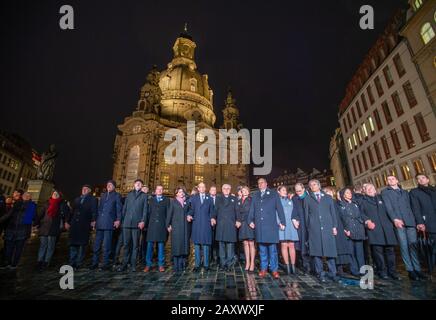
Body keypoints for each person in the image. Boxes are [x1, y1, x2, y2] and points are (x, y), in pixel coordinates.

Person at [381, 175, 425, 281]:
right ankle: (410, 270)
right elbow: (388, 207)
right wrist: (395, 219)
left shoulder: (405, 192)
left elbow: (411, 206)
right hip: (399, 222)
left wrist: (417, 222)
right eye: (388, 179)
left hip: (410, 221)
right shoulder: (385, 192)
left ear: (397, 180)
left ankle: (417, 269)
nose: (390, 180)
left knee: (413, 246)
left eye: (392, 178)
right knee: (404, 246)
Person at [248, 178, 286, 279]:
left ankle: (274, 270)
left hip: (271, 226)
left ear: (266, 183)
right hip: (259, 226)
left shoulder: (273, 194)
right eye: (258, 183)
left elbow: (280, 208)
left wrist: (283, 221)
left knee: (273, 250)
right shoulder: (255, 195)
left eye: (262, 182)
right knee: (262, 250)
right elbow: (252, 209)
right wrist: (250, 220)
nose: (260, 184)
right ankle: (263, 269)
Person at [360, 183, 400, 280]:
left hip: (387, 228)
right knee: (378, 253)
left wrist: (395, 219)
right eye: (367, 188)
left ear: (375, 189)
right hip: (374, 229)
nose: (369, 189)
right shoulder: (362, 201)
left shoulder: (382, 198)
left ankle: (392, 272)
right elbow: (361, 214)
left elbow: (390, 210)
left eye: (371, 188)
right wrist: (367, 221)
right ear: (364, 191)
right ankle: (382, 271)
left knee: (390, 251)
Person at [304, 179, 338, 283]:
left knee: (330, 252)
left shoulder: (327, 197)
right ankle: (320, 274)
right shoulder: (307, 199)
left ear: (319, 186)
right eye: (310, 185)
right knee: (317, 252)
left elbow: (333, 213)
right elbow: (306, 215)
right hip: (314, 229)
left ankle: (333, 273)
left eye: (314, 184)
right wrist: (309, 227)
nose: (312, 186)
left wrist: (334, 226)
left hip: (328, 228)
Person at [90, 180, 122, 271]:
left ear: (114, 187)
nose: (109, 186)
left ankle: (105, 263)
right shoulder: (103, 195)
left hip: (109, 222)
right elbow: (99, 209)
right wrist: (95, 220)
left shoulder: (117, 196)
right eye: (108, 184)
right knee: (97, 244)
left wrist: (118, 220)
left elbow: (119, 209)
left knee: (107, 245)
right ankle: (94, 262)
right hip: (100, 223)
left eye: (111, 185)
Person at [0, 190, 36, 269]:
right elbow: (9, 215)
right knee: (9, 248)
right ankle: (7, 262)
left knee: (18, 249)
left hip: (21, 230)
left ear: (30, 198)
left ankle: (14, 264)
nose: (26, 197)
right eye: (25, 196)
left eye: (28, 196)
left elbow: (30, 218)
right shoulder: (18, 203)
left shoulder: (31, 205)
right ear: (22, 197)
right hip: (12, 229)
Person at [118, 179, 148, 272]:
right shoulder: (129, 195)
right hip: (126, 223)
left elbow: (145, 210)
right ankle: (124, 264)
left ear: (142, 186)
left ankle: (133, 265)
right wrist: (122, 220)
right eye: (137, 183)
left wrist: (143, 221)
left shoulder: (144, 196)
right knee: (126, 245)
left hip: (137, 224)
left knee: (135, 245)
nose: (138, 184)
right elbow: (124, 208)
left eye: (140, 183)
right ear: (134, 184)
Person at [65, 185, 98, 270]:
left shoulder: (93, 199)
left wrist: (94, 220)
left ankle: (79, 263)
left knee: (82, 245)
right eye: (83, 189)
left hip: (84, 223)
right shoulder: (77, 199)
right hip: (75, 224)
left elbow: (94, 211)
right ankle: (72, 262)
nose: (84, 190)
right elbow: (72, 211)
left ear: (89, 190)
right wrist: (67, 221)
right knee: (73, 244)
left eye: (86, 189)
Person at [35, 190, 69, 271]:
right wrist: (36, 223)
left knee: (50, 246)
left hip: (54, 227)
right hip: (44, 227)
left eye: (57, 194)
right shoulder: (47, 203)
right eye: (54, 193)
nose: (55, 195)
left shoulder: (61, 204)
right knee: (43, 245)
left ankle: (46, 262)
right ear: (51, 195)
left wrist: (66, 222)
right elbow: (41, 214)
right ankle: (39, 261)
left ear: (59, 196)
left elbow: (67, 213)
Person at [410, 174, 436, 269]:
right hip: (429, 223)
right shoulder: (414, 192)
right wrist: (420, 222)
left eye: (423, 178)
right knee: (432, 248)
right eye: (418, 179)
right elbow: (415, 208)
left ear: (428, 180)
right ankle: (431, 268)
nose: (421, 180)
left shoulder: (434, 190)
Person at [338, 187, 366, 277]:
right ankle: (354, 270)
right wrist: (344, 230)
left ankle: (362, 269)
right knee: (351, 252)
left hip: (358, 229)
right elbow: (340, 219)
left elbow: (361, 214)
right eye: (347, 192)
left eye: (350, 192)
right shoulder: (341, 205)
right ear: (343, 194)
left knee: (360, 252)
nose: (349, 194)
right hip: (348, 230)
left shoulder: (355, 203)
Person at [187, 182, 215, 272]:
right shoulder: (193, 198)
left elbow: (212, 211)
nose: (202, 188)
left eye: (204, 187)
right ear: (198, 189)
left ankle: (206, 265)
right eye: (200, 187)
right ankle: (197, 265)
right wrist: (189, 215)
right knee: (197, 244)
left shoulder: (209, 198)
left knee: (206, 244)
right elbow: (191, 210)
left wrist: (212, 218)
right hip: (197, 224)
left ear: (205, 188)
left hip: (206, 224)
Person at [213, 184, 240, 271]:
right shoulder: (218, 198)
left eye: (228, 188)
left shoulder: (234, 199)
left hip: (231, 225)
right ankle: (222, 263)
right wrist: (213, 218)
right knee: (221, 245)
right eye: (224, 188)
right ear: (222, 189)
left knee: (230, 245)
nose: (226, 190)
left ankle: (229, 264)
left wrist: (238, 220)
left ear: (230, 189)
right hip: (221, 225)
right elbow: (215, 210)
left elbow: (237, 211)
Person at [325, 187, 351, 277]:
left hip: (339, 226)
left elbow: (342, 215)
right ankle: (334, 269)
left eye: (331, 192)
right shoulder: (326, 203)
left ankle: (341, 268)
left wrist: (345, 227)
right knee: (333, 249)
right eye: (327, 192)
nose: (330, 193)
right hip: (331, 227)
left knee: (340, 248)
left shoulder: (336, 202)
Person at [144, 185, 170, 272]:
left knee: (161, 246)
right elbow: (148, 213)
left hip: (162, 226)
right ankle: (148, 264)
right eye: (158, 189)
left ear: (163, 191)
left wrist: (168, 224)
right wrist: (145, 224)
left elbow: (168, 214)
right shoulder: (151, 200)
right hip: (152, 226)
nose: (159, 190)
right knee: (149, 246)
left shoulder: (167, 200)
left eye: (161, 189)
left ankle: (161, 265)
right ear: (155, 191)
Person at [166, 187, 191, 273]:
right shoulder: (173, 202)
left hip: (184, 226)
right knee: (176, 245)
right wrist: (168, 224)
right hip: (176, 226)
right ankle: (176, 265)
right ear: (176, 193)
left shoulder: (186, 202)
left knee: (183, 245)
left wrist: (189, 215)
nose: (181, 193)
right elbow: (169, 214)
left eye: (182, 192)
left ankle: (182, 264)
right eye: (180, 192)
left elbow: (190, 211)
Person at [277, 186, 299, 275]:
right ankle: (287, 266)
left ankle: (293, 266)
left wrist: (296, 220)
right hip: (282, 224)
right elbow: (275, 213)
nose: (285, 191)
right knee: (284, 245)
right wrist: (279, 223)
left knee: (291, 245)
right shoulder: (277, 201)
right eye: (283, 190)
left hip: (291, 225)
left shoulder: (290, 200)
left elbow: (295, 211)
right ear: (278, 191)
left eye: (285, 190)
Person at [291, 183, 311, 274]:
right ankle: (306, 266)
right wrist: (294, 219)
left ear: (303, 189)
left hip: (311, 224)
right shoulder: (295, 198)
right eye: (296, 191)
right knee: (303, 245)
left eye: (299, 191)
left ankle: (315, 266)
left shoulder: (309, 196)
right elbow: (293, 210)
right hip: (301, 224)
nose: (298, 192)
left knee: (313, 245)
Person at [237, 186, 255, 272]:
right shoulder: (239, 201)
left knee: (251, 244)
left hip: (249, 223)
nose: (244, 192)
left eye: (245, 190)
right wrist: (238, 220)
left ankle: (252, 263)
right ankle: (247, 262)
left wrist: (251, 221)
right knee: (245, 244)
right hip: (242, 225)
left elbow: (252, 212)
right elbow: (237, 212)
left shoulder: (251, 200)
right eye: (242, 190)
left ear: (248, 192)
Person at [208, 185, 219, 266]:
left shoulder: (219, 198)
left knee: (217, 240)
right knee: (210, 240)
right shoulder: (207, 199)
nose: (213, 191)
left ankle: (218, 257)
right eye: (212, 189)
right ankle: (210, 257)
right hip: (208, 223)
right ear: (209, 191)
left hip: (218, 223)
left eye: (215, 189)